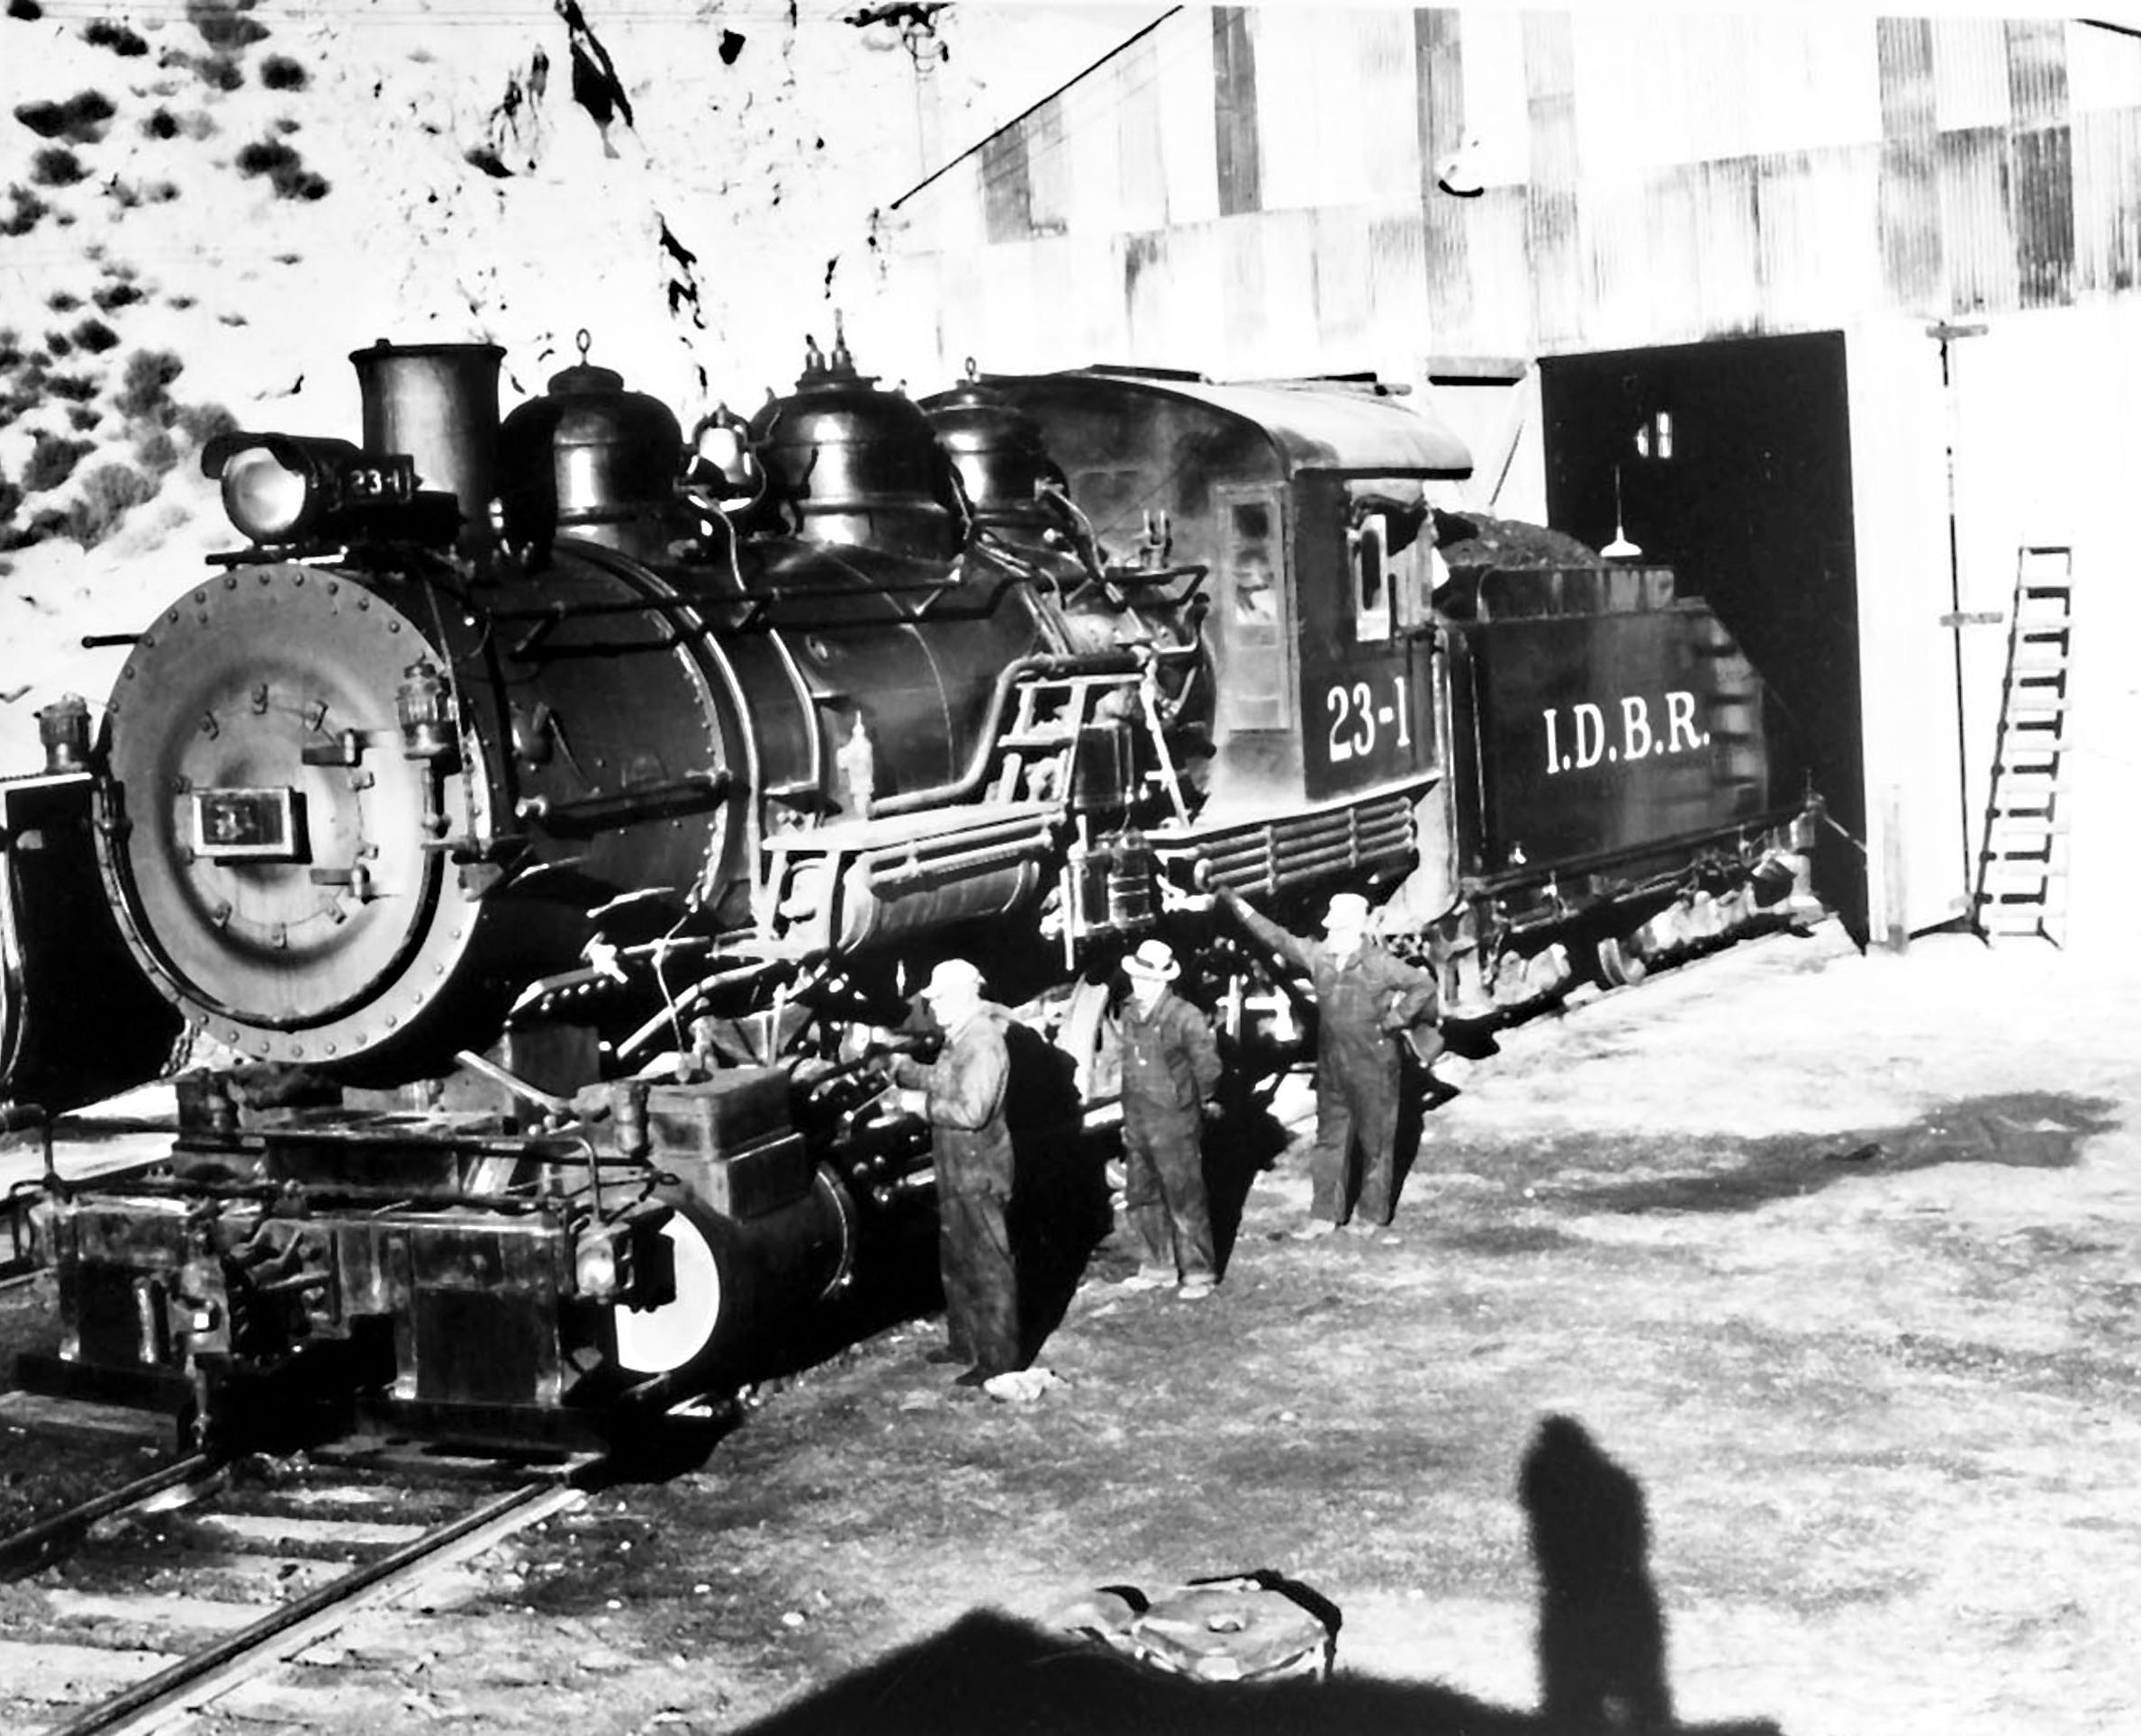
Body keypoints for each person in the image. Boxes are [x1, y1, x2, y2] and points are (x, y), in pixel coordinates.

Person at [1215, 887, 1437, 1237]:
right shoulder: (1319, 957)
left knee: (1376, 1143)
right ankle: (1323, 1215)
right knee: (1330, 1139)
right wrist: (1236, 904)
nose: (1331, 933)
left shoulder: (1379, 964)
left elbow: (1422, 985)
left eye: (1338, 928)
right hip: (1333, 1065)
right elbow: (1277, 937)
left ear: (1355, 930)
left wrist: (1397, 1020)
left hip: (1375, 1065)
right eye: (1331, 928)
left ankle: (1371, 1215)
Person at [890, 958, 1021, 1387]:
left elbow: (972, 1109)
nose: (934, 1008)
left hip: (978, 1170)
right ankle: (965, 1343)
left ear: (967, 994)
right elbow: (946, 1079)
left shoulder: (982, 1041)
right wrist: (903, 1071)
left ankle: (999, 1361)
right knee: (958, 1259)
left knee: (987, 1265)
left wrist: (918, 1106)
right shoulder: (959, 1035)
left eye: (941, 999)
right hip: (955, 1166)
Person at [1114, 937, 1224, 1301]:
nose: (1139, 985)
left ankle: (1199, 1272)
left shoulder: (1184, 1016)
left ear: (1163, 981)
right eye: (1136, 977)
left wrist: (1193, 1106)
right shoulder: (1130, 1012)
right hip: (1138, 1120)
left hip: (1174, 1123)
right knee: (1141, 1195)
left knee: (1184, 1197)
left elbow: (1208, 1068)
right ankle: (1157, 1266)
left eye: (1147, 980)